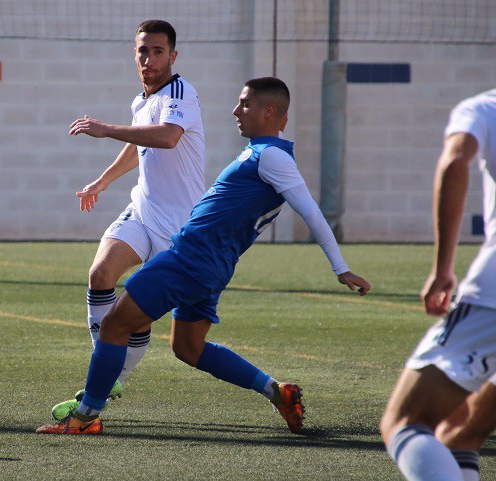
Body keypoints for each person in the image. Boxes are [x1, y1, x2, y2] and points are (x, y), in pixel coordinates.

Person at [36, 77, 371, 435]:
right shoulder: (263, 152)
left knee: (117, 324)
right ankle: (278, 392)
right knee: (188, 348)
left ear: (269, 111)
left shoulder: (272, 156)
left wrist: (341, 267)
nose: (235, 110)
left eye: (245, 104)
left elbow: (311, 213)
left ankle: (85, 417)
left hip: (189, 259)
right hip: (211, 268)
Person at [49, 19, 206, 421]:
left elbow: (168, 136)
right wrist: (101, 181)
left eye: (157, 51)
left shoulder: (180, 93)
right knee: (100, 274)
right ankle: (105, 366)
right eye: (142, 51)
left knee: (143, 319)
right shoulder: (141, 101)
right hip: (142, 211)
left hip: (179, 230)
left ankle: (112, 376)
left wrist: (104, 130)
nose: (149, 58)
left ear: (173, 56)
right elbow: (139, 146)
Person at [380, 88, 496, 481]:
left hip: (492, 297)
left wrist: (443, 267)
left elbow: (455, 161)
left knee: (405, 422)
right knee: (461, 432)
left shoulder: (484, 107)